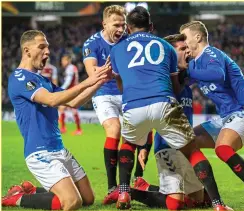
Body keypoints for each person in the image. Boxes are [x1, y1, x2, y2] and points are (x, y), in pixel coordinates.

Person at [111, 7, 230, 211]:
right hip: (164, 105)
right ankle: (219, 205)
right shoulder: (165, 48)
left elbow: (121, 84)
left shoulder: (117, 49)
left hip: (133, 103)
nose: (187, 53)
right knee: (193, 154)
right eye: (182, 49)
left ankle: (123, 191)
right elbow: (175, 87)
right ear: (151, 27)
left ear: (128, 28)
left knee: (128, 143)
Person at [2, 30, 112, 210]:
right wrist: (89, 80)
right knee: (72, 202)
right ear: (27, 50)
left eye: (48, 47)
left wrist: (100, 81)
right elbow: (51, 100)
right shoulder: (19, 77)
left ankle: (32, 191)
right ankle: (17, 198)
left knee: (88, 198)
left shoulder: (43, 80)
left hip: (59, 150)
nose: (47, 52)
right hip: (40, 154)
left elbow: (75, 102)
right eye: (42, 47)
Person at [180, 21, 244, 211]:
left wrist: (187, 69)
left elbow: (216, 74)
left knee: (223, 148)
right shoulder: (196, 63)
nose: (183, 42)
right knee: (185, 142)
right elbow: (181, 82)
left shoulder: (211, 54)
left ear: (197, 37)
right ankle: (206, 196)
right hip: (227, 118)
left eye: (185, 37)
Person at [129, 34, 211, 210]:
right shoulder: (161, 83)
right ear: (169, 54)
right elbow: (150, 114)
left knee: (201, 201)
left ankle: (148, 187)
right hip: (166, 146)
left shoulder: (187, 80)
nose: (187, 51)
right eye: (182, 49)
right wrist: (144, 147)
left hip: (186, 147)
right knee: (175, 204)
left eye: (186, 48)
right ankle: (132, 192)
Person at [82, 5, 152, 203]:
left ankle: (138, 177)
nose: (121, 29)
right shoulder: (92, 43)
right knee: (114, 129)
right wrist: (113, 73)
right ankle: (113, 187)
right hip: (103, 93)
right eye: (116, 25)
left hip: (127, 91)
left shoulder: (128, 41)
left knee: (146, 127)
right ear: (104, 24)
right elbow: (92, 72)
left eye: (123, 25)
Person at [59, 54, 82, 135]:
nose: (62, 62)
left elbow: (68, 81)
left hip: (71, 91)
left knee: (72, 109)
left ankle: (78, 130)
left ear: (68, 60)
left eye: (63, 60)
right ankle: (63, 128)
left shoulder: (70, 68)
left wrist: (61, 89)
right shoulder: (72, 68)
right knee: (62, 108)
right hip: (73, 90)